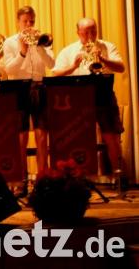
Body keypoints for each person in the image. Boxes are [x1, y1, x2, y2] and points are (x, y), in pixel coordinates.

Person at [52, 17, 127, 179]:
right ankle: (79, 178)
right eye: (86, 32)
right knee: (78, 138)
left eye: (93, 31)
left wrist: (103, 59)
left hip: (104, 95)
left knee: (112, 137)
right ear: (78, 32)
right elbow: (56, 73)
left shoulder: (107, 46)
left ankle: (118, 178)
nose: (90, 35)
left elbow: (121, 67)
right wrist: (73, 66)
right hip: (78, 98)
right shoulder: (68, 51)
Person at [2, 6, 55, 174]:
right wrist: (22, 52)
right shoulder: (10, 42)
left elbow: (52, 65)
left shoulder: (43, 40)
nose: (29, 25)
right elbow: (9, 69)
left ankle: (43, 177)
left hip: (40, 86)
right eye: (25, 21)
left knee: (42, 135)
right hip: (19, 88)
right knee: (21, 136)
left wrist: (39, 47)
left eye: (31, 21)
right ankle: (21, 178)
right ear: (18, 22)